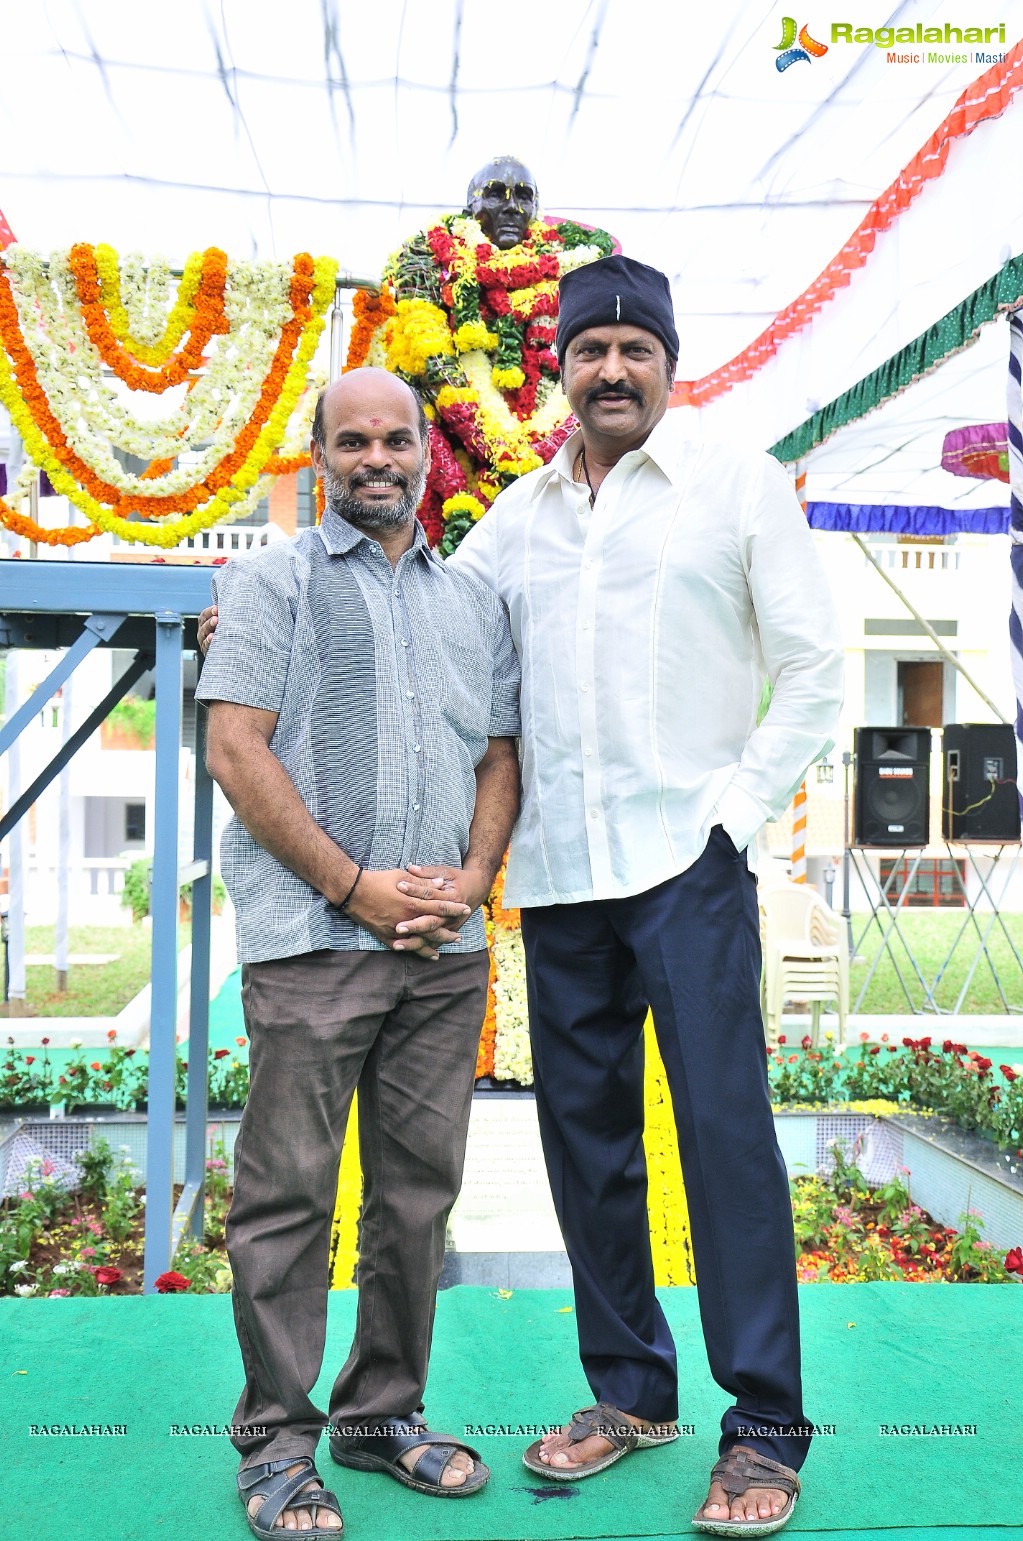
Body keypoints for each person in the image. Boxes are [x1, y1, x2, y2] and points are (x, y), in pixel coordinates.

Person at [447, 254, 845, 1536]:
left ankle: (767, 1427)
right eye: (588, 348)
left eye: (634, 347)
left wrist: (729, 820)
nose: (610, 367)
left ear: (671, 359)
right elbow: (435, 630)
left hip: (689, 867)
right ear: (556, 366)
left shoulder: (735, 485)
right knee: (587, 1147)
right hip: (561, 881)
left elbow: (816, 673)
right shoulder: (515, 519)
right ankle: (628, 1391)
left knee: (727, 1138)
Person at [195, 368, 521, 1540]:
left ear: (429, 450)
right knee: (285, 1198)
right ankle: (278, 1445)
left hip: (441, 950)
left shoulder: (473, 600)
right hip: (314, 941)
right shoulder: (269, 580)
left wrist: (472, 884)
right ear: (320, 453)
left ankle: (383, 1416)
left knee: (415, 1199)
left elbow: (497, 754)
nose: (377, 457)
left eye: (397, 438)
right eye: (354, 441)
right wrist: (355, 887)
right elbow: (237, 747)